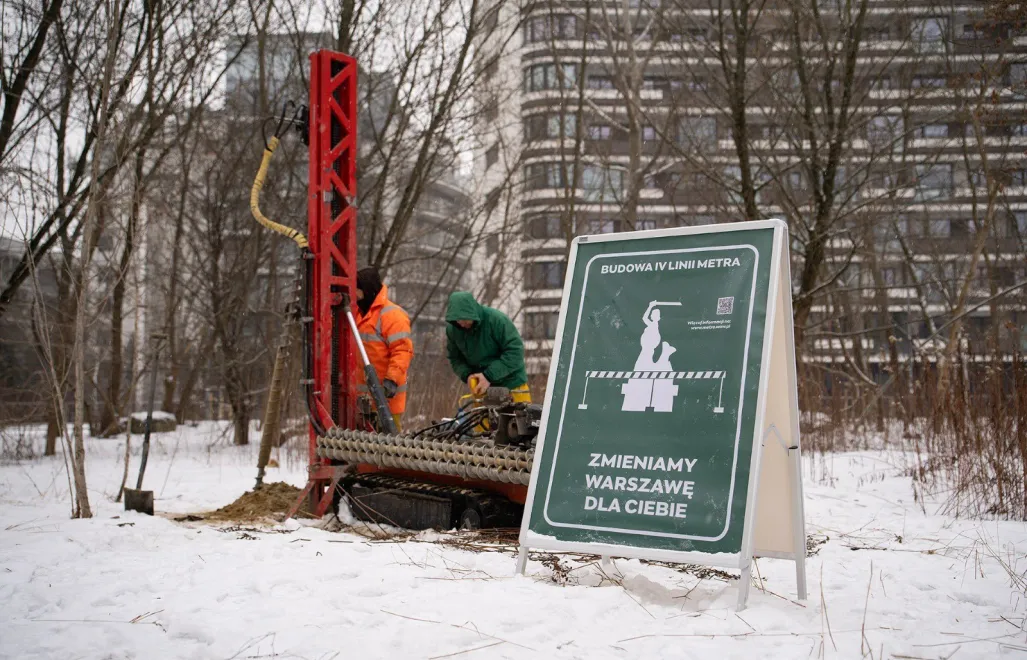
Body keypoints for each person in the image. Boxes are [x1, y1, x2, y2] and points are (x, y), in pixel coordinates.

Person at [353, 266, 413, 431]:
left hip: (387, 399)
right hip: (361, 401)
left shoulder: (393, 316)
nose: (355, 295)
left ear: (367, 289)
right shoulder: (356, 313)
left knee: (389, 447)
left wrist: (391, 379)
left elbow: (402, 351)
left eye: (357, 290)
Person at [445, 291, 530, 403]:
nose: (461, 324)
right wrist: (467, 375)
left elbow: (515, 352)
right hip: (481, 388)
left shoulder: (496, 320)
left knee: (518, 420)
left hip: (512, 384)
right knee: (483, 420)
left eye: (465, 319)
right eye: (458, 320)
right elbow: (455, 358)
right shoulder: (453, 330)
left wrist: (488, 376)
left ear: (472, 313)